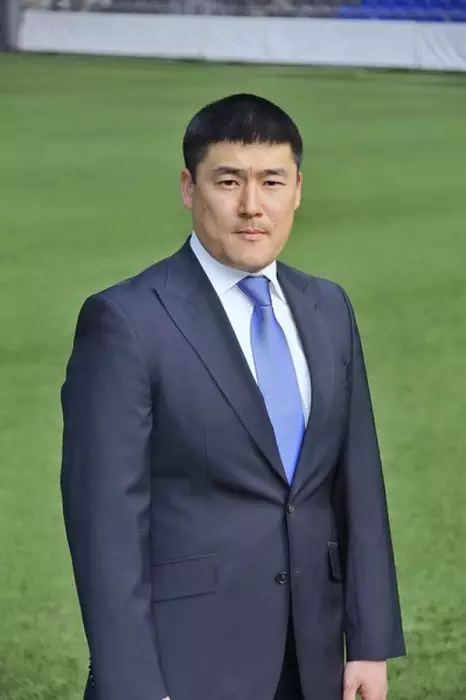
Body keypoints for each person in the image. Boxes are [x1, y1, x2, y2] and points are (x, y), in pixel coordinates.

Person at [61, 93, 406, 700]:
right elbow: (104, 527)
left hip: (316, 659)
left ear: (297, 190)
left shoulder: (329, 308)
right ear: (188, 188)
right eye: (228, 181)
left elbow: (358, 484)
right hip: (187, 666)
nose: (252, 206)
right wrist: (134, 687)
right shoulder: (126, 321)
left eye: (272, 181)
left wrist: (369, 642)